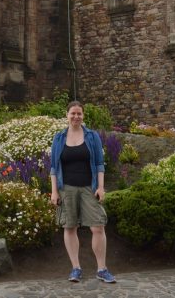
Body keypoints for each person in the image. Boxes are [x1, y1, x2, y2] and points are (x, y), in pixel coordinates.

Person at [49, 101, 116, 284]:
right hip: (67, 188)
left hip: (89, 187)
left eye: (79, 113)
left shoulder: (92, 136)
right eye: (73, 113)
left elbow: (99, 164)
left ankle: (102, 269)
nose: (76, 116)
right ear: (67, 115)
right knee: (69, 227)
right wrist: (54, 192)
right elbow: (54, 167)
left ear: (83, 116)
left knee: (98, 226)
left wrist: (101, 187)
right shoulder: (59, 138)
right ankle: (76, 268)